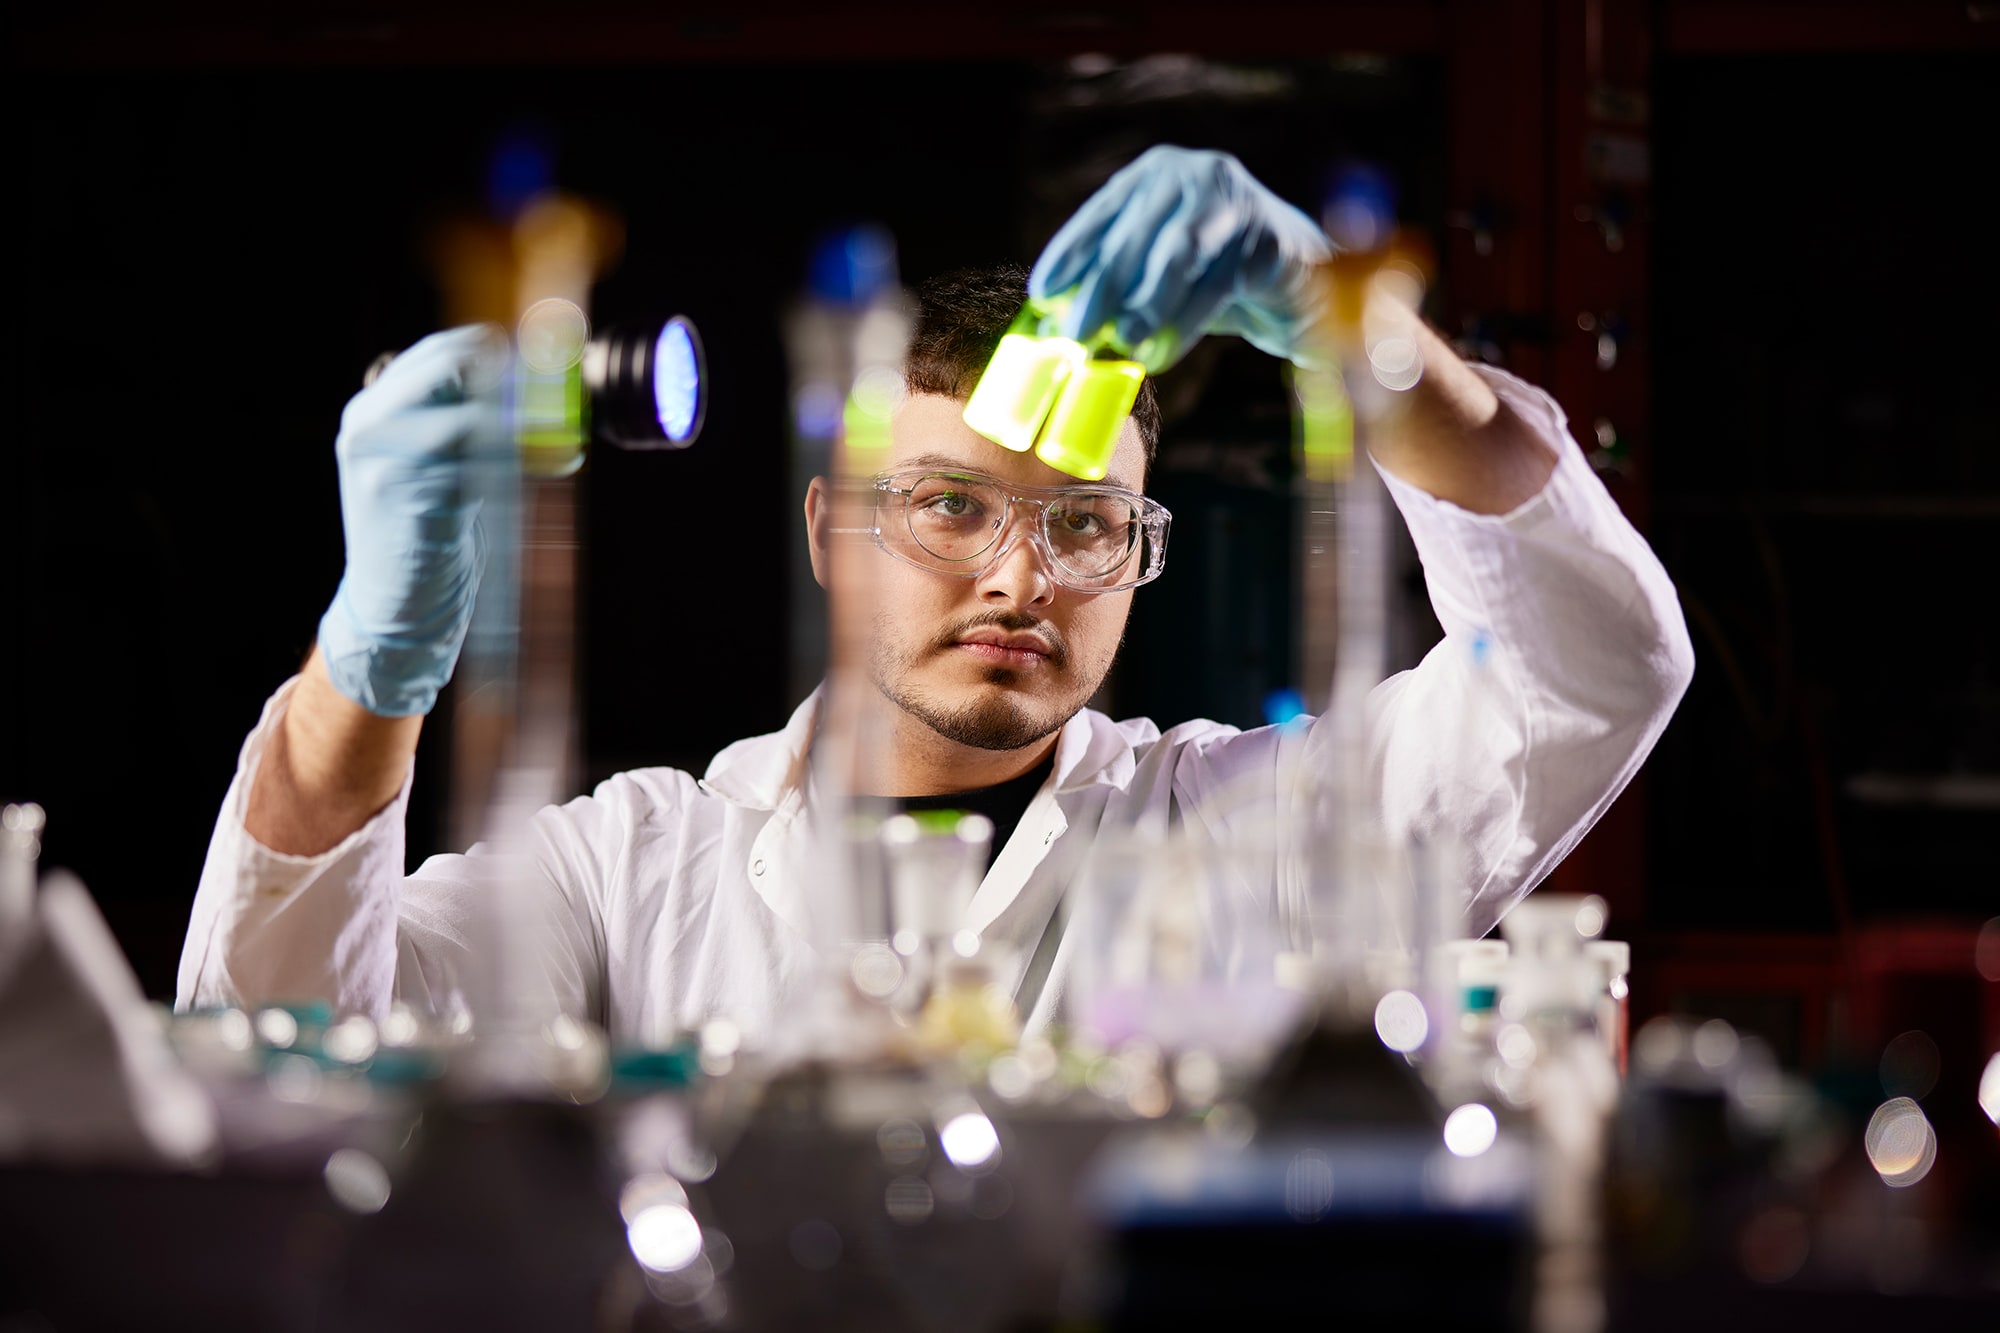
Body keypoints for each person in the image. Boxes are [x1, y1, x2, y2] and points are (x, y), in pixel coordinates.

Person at [177, 147, 1693, 1043]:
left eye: (1088, 524)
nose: (1022, 575)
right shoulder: (631, 874)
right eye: (951, 506)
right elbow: (279, 1048)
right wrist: (364, 676)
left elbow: (1592, 671)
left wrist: (1365, 344)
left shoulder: (1240, 838)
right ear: (831, 532)